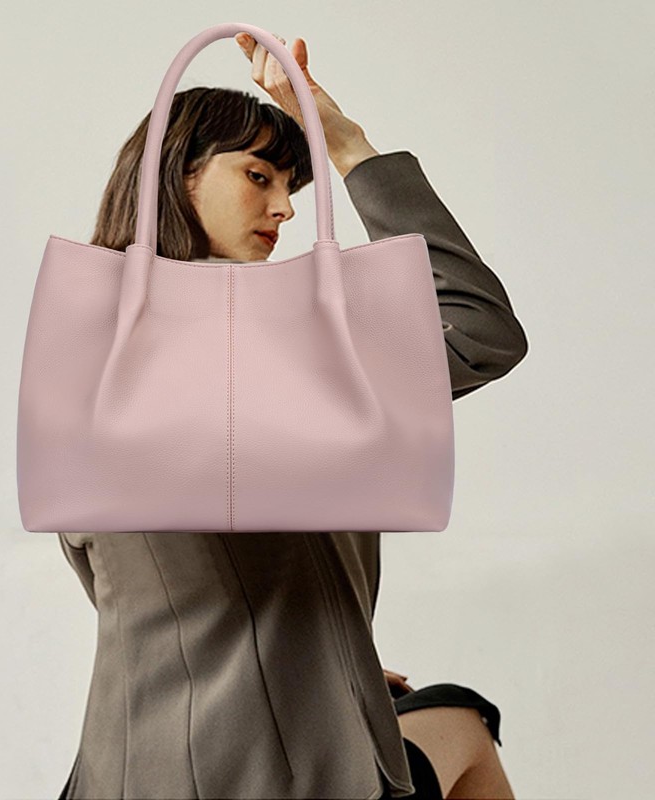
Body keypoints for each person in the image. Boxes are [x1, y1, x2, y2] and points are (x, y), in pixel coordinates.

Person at [56, 34, 527, 800]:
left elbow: (119, 576)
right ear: (178, 173)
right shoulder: (290, 354)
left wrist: (326, 666)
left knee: (444, 716)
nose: (283, 208)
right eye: (258, 176)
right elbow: (480, 329)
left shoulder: (82, 357)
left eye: (292, 187)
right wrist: (345, 141)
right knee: (463, 723)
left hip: (128, 767)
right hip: (290, 772)